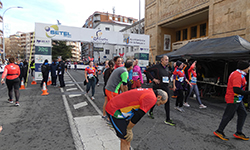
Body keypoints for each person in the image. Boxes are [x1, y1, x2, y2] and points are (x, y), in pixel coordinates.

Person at [213, 60, 250, 141]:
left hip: (238, 98)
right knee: (229, 115)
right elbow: (236, 89)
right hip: (233, 98)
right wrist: (248, 92)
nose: (249, 68)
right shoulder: (237, 75)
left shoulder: (240, 74)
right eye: (248, 67)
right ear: (244, 68)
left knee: (243, 113)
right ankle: (219, 131)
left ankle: (239, 132)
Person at [145, 55, 175, 126]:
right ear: (162, 60)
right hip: (158, 87)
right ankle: (150, 112)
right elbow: (146, 71)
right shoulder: (157, 66)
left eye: (168, 60)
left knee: (167, 101)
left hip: (165, 86)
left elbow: (167, 76)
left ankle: (167, 119)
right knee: (155, 100)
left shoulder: (167, 68)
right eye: (166, 60)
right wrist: (153, 79)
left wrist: (169, 82)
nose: (167, 61)